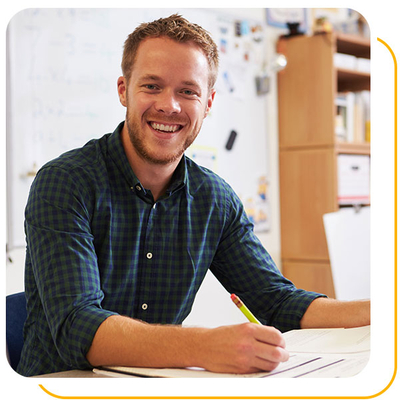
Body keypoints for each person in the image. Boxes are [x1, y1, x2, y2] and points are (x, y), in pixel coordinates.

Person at [17, 14, 370, 377]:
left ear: (209, 102)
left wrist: (382, 311)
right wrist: (205, 347)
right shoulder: (64, 183)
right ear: (123, 89)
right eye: (152, 86)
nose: (169, 105)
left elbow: (278, 302)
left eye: (187, 91)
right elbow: (77, 326)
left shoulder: (215, 200)